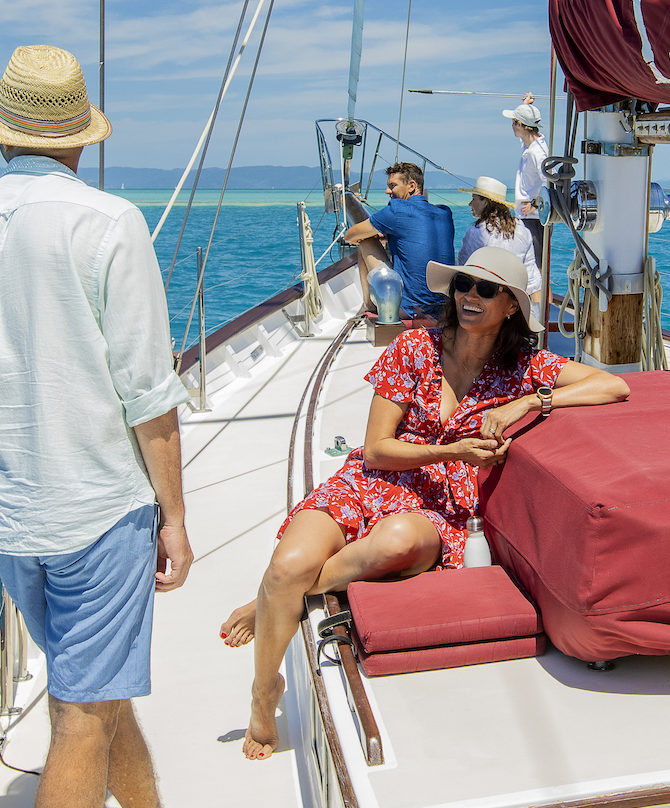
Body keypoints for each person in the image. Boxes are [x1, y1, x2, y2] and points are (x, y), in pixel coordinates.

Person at [0, 45, 210, 808]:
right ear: (80, 139)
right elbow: (150, 394)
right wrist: (174, 518)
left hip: (5, 516)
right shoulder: (108, 222)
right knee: (80, 710)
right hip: (98, 511)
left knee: (94, 691)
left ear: (2, 137)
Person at [216, 247, 629, 759]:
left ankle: (274, 603)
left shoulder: (523, 368)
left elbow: (613, 384)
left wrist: (531, 400)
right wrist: (452, 448)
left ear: (512, 307)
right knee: (287, 565)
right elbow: (376, 449)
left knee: (397, 542)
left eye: (487, 289)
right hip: (375, 477)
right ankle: (264, 689)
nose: (470, 296)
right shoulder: (414, 347)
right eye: (462, 285)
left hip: (441, 505)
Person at [342, 160, 455, 322]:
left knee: (365, 240)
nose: (388, 191)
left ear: (411, 186)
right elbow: (415, 233)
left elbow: (350, 235)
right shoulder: (445, 213)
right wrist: (386, 235)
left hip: (409, 309)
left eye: (392, 185)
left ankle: (368, 305)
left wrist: (372, 235)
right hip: (445, 309)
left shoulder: (397, 210)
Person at [456, 175, 541, 297]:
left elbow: (464, 270)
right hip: (513, 297)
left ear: (485, 202)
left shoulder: (476, 232)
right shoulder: (523, 231)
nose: (470, 204)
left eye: (473, 199)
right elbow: (533, 280)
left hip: (485, 296)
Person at [505, 96, 548, 259]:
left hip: (533, 219)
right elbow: (526, 139)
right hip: (525, 217)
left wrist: (534, 205)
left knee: (537, 270)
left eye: (513, 122)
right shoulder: (530, 145)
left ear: (520, 125)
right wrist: (525, 107)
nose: (511, 126)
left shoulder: (537, 152)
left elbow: (548, 183)